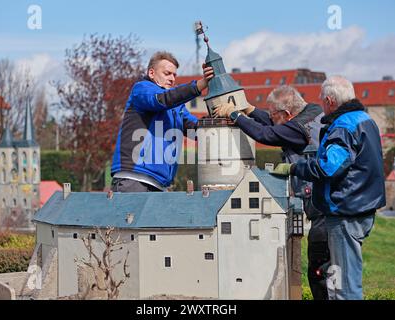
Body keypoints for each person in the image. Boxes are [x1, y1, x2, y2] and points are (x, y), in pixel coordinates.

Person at [272, 76, 386, 299]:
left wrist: (294, 168)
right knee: (339, 278)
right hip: (364, 208)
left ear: (330, 100)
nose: (322, 106)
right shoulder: (365, 119)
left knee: (345, 287)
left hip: (345, 212)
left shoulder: (342, 127)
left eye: (323, 101)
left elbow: (329, 167)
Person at [214, 85, 330, 300]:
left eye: (272, 114)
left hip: (321, 206)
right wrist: (250, 110)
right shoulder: (312, 112)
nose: (270, 117)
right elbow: (277, 126)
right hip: (326, 201)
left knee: (319, 270)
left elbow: (266, 133)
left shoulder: (297, 129)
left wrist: (234, 115)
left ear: (287, 113)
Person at [110, 51, 213, 192]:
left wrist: (217, 116)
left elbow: (197, 131)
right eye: (167, 73)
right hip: (133, 178)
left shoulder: (178, 107)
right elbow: (162, 100)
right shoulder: (141, 89)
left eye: (174, 75)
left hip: (159, 184)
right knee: (128, 215)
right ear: (151, 73)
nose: (172, 79)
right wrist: (199, 85)